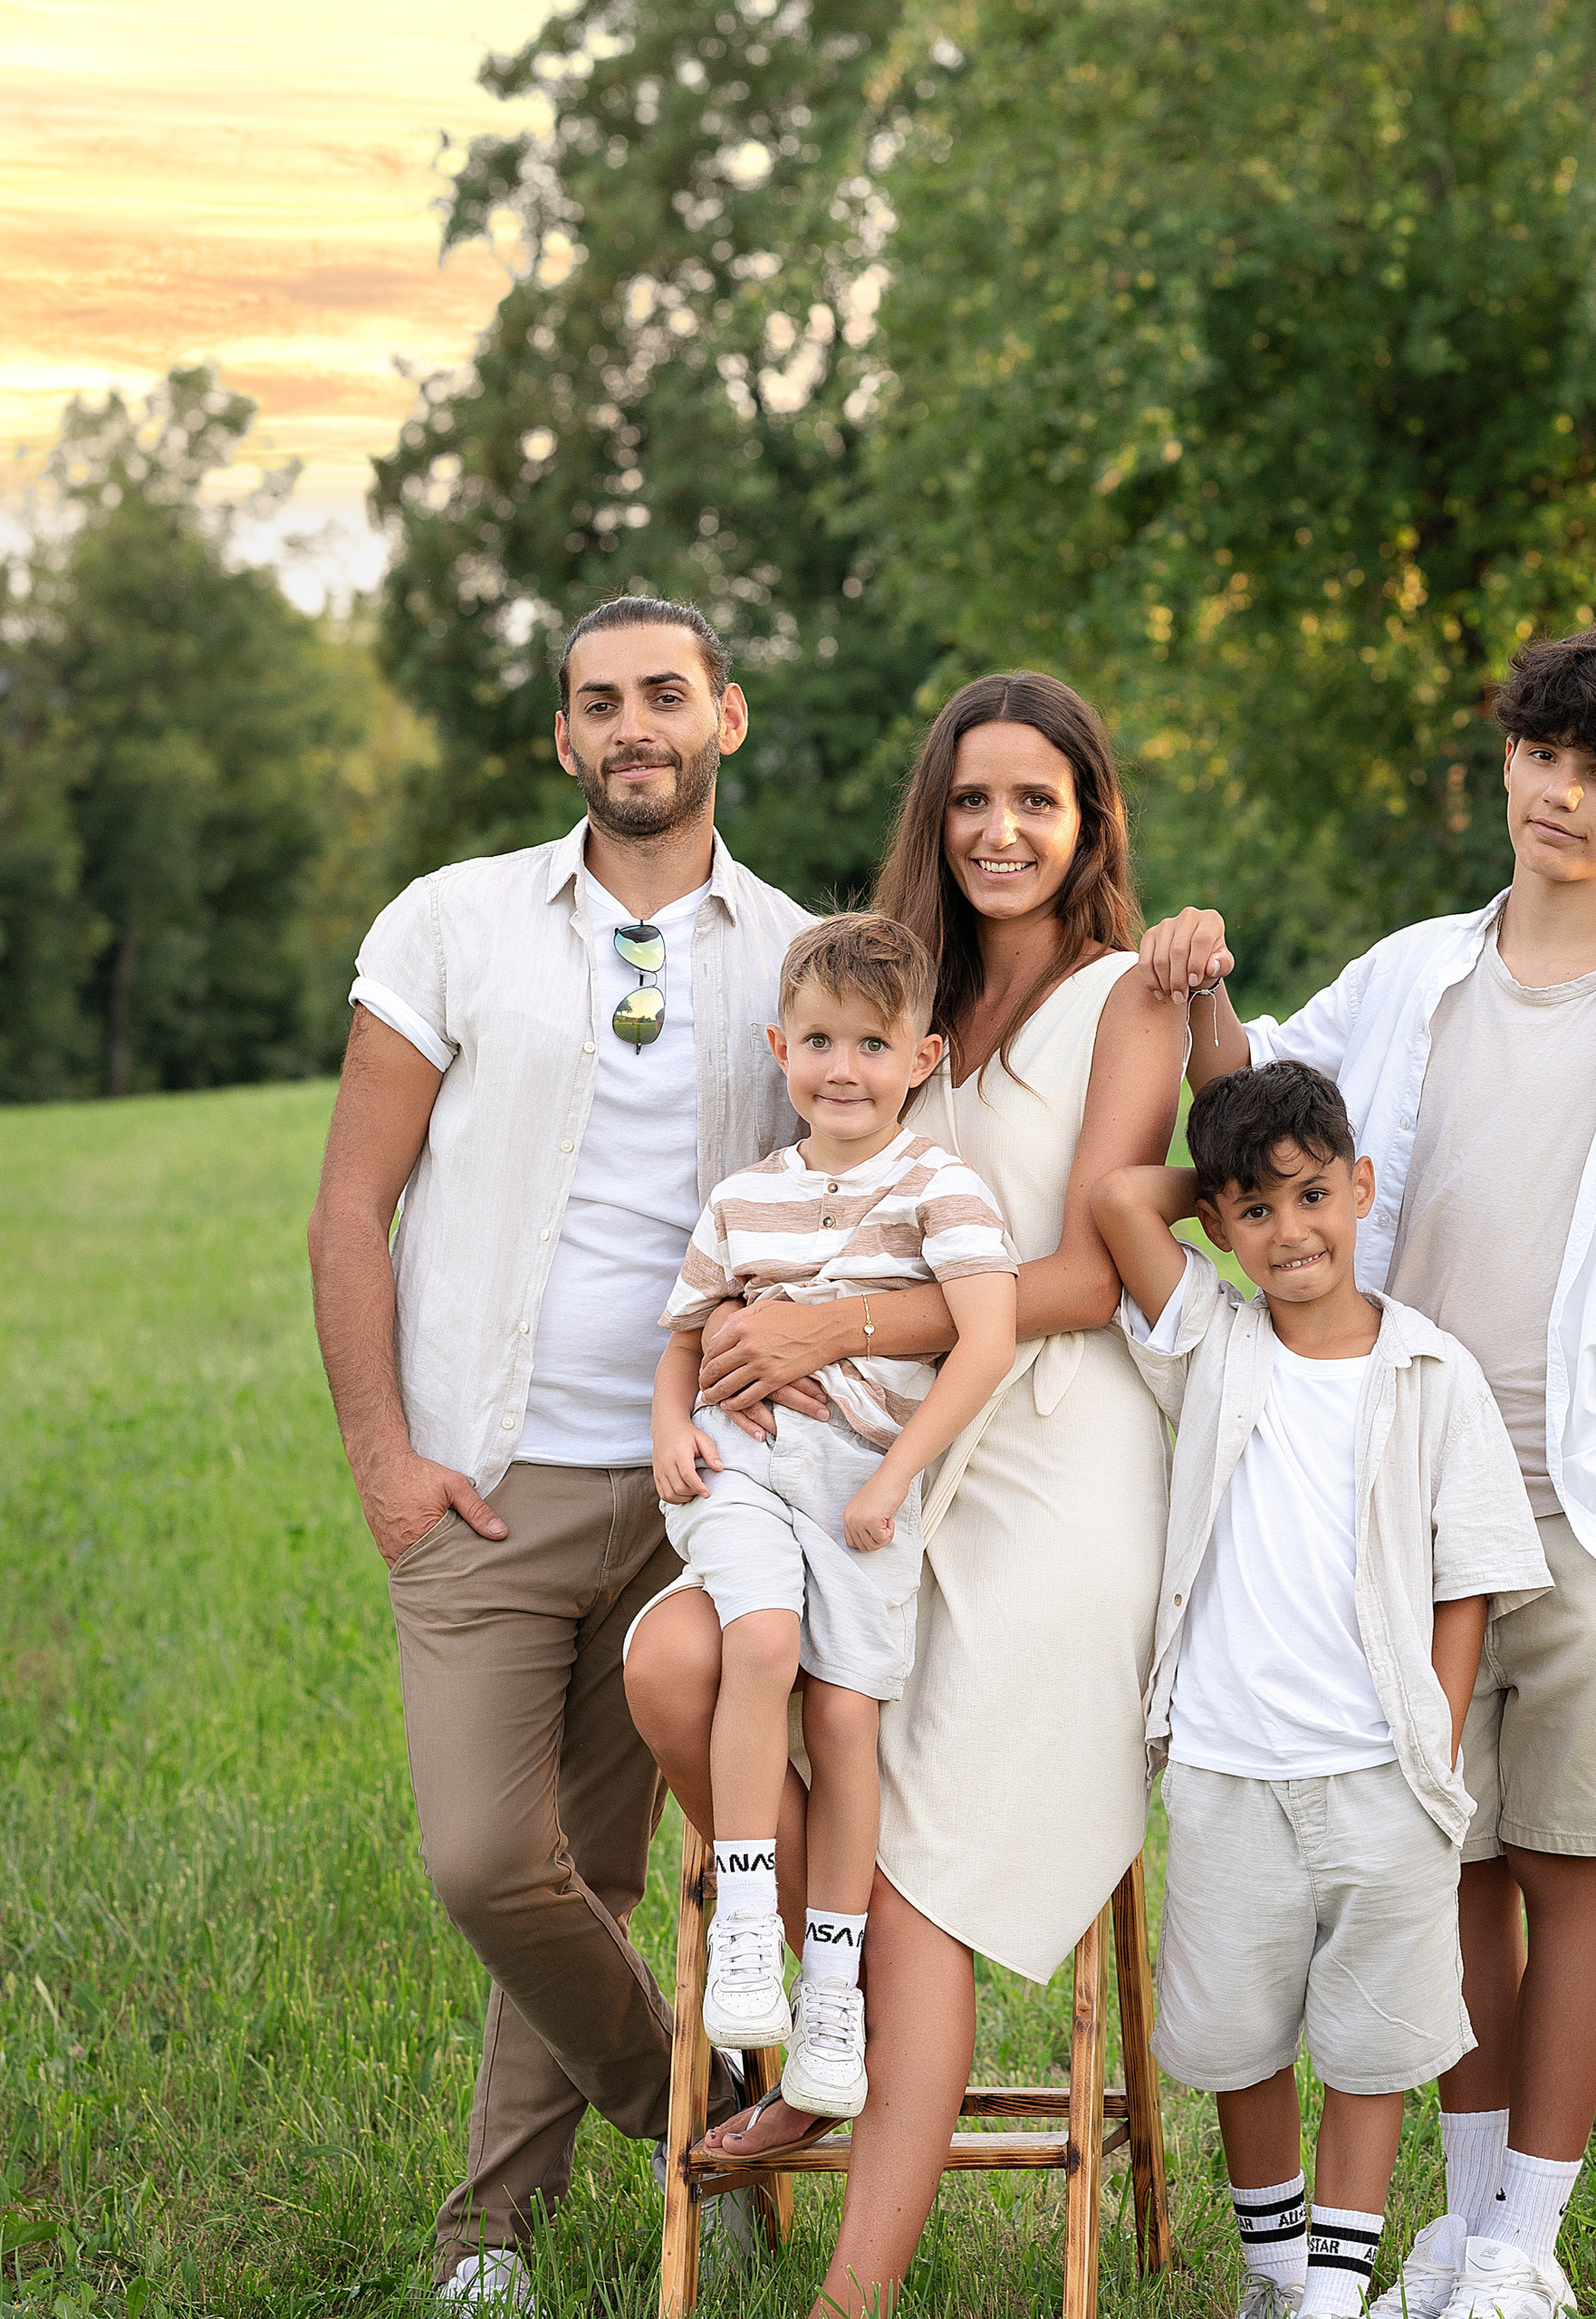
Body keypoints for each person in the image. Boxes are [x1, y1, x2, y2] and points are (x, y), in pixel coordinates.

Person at [1139, 625, 1596, 2318]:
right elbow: (1258, 1112)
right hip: (1392, 1495)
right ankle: (1456, 2219)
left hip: (1576, 1502)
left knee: (1568, 1867)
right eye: (1538, 757)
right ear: (1507, 761)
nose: (1558, 795)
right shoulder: (1419, 969)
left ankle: (1524, 2246)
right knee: (1453, 1867)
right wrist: (1200, 983)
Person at [617, 670, 1188, 2317]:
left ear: (1088, 823)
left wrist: (838, 1323)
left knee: (923, 1845)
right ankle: (828, 2004)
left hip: (1050, 1452)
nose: (1001, 830)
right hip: (856, 1442)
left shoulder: (1124, 996)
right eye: (971, 799)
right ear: (934, 816)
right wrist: (762, 1337)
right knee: (672, 1663)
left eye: (1039, 801)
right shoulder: (891, 993)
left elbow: (1092, 1270)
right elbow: (793, 1203)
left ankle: (851, 2291)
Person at [308, 595, 814, 2309]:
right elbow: (349, 1206)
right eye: (599, 703)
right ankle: (712, 2113)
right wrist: (386, 1459)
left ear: (725, 718)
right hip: (485, 1480)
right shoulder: (453, 925)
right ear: (563, 738)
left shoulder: (801, 954)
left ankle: (484, 2236)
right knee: (483, 1862)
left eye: (665, 695)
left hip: (703, 1498)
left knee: (592, 1873)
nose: (633, 727)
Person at [1091, 1062, 1552, 2319]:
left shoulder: (1429, 1372)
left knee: (1374, 2041)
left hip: (1380, 1770)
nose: (1289, 1233)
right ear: (1223, 1228)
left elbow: (1470, 1578)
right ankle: (1275, 2275)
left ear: (1360, 1188)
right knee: (1240, 2036)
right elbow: (1126, 1201)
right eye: (1253, 1211)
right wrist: (1222, 1169)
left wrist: (1439, 1745)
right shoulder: (1213, 1341)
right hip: (1231, 1767)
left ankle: (1338, 2290)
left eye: (1311, 1196)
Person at [628, 912, 1017, 2123]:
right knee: (758, 1641)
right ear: (777, 1047)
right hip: (746, 1467)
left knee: (847, 1724)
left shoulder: (938, 1186)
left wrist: (894, 1476)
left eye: (869, 1044)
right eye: (816, 1042)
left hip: (860, 1485)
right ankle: (750, 1917)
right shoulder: (748, 1199)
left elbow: (987, 1336)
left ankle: (834, 1991)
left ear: (923, 1056)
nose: (841, 1069)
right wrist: (670, 1435)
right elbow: (687, 1333)